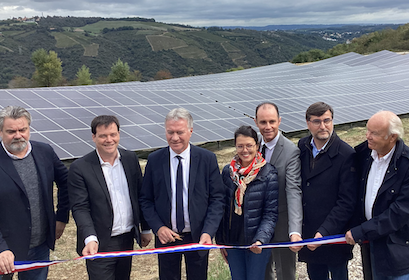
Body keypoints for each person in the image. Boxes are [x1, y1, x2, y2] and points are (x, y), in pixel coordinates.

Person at [0, 105, 69, 280]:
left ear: (29, 128)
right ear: (0, 132)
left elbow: (66, 182)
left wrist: (61, 217)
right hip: (0, 254)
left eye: (22, 129)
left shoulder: (45, 152)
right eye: (11, 131)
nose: (18, 135)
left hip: (39, 248)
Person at [140, 108, 224, 280]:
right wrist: (158, 227)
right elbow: (146, 200)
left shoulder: (207, 159)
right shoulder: (155, 160)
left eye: (180, 132)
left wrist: (208, 232)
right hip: (166, 238)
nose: (175, 137)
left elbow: (217, 199)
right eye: (170, 132)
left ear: (191, 131)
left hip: (198, 237)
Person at [345, 111, 409, 280]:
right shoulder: (365, 155)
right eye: (367, 130)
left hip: (399, 248)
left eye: (374, 133)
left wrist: (362, 231)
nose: (367, 136)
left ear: (392, 137)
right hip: (373, 246)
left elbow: (400, 213)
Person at [68, 115, 152, 280]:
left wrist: (146, 228)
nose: (109, 140)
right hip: (99, 243)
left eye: (113, 134)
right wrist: (90, 238)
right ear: (94, 137)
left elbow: (140, 194)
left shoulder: (130, 159)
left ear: (119, 134)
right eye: (103, 135)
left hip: (127, 239)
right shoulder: (80, 168)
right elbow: (80, 208)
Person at [297, 102, 357, 280]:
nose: (323, 126)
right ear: (308, 123)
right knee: (315, 276)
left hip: (333, 234)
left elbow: (347, 201)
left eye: (327, 120)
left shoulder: (346, 154)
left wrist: (324, 232)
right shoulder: (302, 147)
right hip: (309, 230)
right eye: (317, 121)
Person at [216, 125, 279, 280]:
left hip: (256, 243)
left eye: (249, 145)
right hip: (233, 242)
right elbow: (222, 208)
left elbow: (270, 213)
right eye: (240, 146)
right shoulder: (227, 172)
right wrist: (221, 241)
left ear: (257, 146)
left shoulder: (268, 173)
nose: (245, 150)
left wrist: (261, 239)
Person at [254, 102, 303, 280]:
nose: (268, 127)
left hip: (282, 224)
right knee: (262, 272)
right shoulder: (253, 147)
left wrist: (295, 230)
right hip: (258, 226)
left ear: (280, 121)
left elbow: (293, 190)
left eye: (272, 121)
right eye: (263, 122)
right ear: (256, 122)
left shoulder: (291, 151)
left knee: (285, 274)